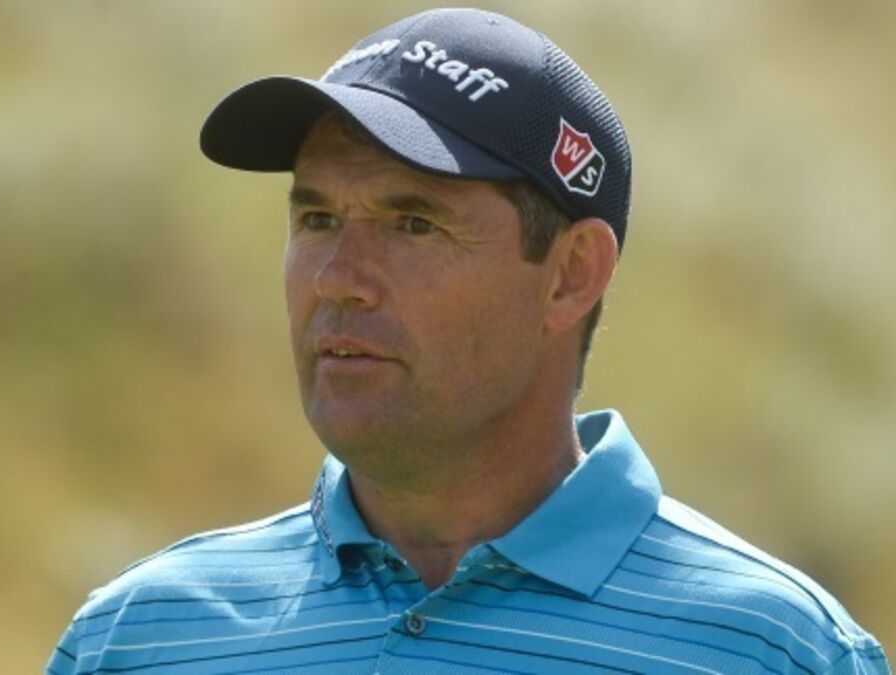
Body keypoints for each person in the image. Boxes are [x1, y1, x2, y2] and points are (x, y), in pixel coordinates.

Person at [47, 8, 889, 674]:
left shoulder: (774, 649)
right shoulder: (139, 637)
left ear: (570, 275)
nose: (338, 278)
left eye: (413, 223)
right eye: (317, 218)